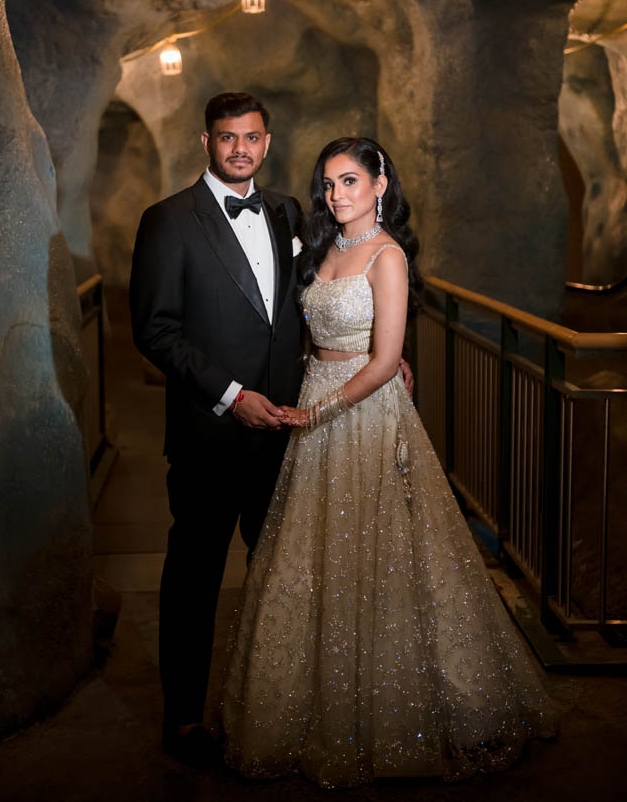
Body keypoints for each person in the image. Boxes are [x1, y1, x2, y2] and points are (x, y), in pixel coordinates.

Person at [221, 136, 556, 788]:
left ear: (380, 184)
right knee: (314, 557)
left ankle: (395, 709)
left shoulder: (387, 255)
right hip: (312, 402)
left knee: (381, 553)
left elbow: (382, 360)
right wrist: (306, 401)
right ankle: (316, 703)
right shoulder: (321, 247)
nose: (335, 194)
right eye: (327, 184)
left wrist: (318, 410)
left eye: (349, 181)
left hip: (360, 414)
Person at [129, 92, 304, 767]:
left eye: (251, 137)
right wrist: (231, 397)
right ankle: (182, 720)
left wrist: (382, 351)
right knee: (194, 579)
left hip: (286, 434)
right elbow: (155, 329)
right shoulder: (168, 220)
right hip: (210, 437)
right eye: (227, 137)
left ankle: (271, 708)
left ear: (267, 140)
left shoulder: (288, 211)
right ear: (206, 141)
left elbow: (307, 306)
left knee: (280, 577)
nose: (239, 148)